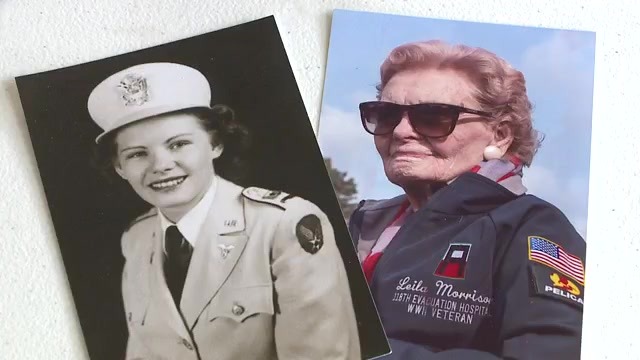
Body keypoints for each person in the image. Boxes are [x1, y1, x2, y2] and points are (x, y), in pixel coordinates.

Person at [88, 62, 361, 360]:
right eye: (138, 154)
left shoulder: (283, 224)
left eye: (178, 144)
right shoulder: (137, 238)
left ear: (215, 144)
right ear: (119, 167)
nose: (161, 165)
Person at [348, 40, 586, 359]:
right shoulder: (366, 225)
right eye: (386, 115)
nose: (402, 132)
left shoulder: (533, 227)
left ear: (500, 135)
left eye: (433, 116)